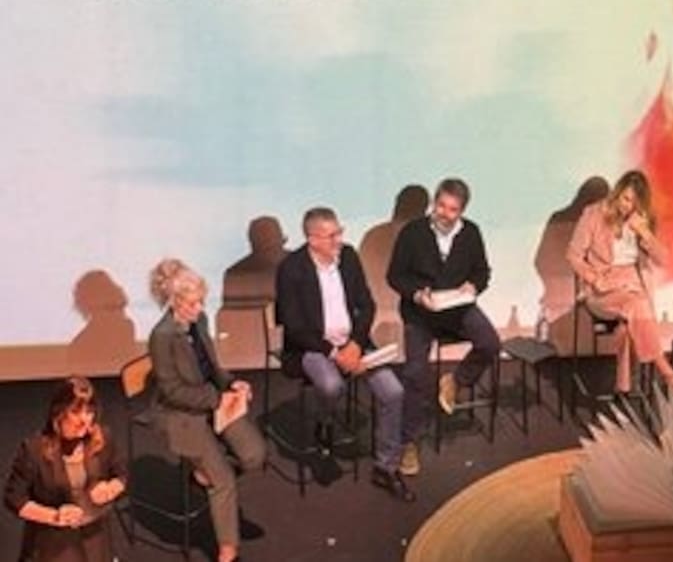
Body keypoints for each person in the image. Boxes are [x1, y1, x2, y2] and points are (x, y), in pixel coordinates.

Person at [274, 207, 410, 497]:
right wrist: (335, 353)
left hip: (353, 342)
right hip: (313, 346)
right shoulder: (291, 269)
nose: (339, 239)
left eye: (339, 232)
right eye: (331, 235)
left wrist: (356, 344)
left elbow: (367, 305)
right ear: (312, 239)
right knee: (331, 385)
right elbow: (294, 327)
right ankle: (324, 422)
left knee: (393, 391)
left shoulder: (348, 257)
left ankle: (386, 467)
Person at [148, 259, 267, 562]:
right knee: (223, 480)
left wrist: (232, 384)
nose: (199, 308)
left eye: (201, 300)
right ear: (174, 302)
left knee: (255, 455)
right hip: (180, 415)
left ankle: (203, 473)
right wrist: (216, 399)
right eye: (192, 303)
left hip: (214, 401)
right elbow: (172, 391)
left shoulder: (199, 321)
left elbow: (212, 367)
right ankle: (228, 550)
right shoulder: (162, 336)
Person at [387, 177, 501, 476]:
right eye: (441, 205)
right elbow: (395, 276)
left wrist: (472, 286)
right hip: (420, 313)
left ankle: (455, 381)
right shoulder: (412, 232)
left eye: (452, 209)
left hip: (457, 309)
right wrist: (417, 294)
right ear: (433, 203)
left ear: (462, 211)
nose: (445, 213)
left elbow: (482, 272)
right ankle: (409, 442)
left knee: (490, 343)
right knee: (415, 373)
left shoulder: (471, 232)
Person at [566, 170, 673, 394]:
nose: (627, 206)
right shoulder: (593, 214)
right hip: (602, 290)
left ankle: (623, 388)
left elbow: (664, 260)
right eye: (625, 198)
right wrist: (594, 279)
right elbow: (573, 255)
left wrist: (645, 233)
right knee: (637, 305)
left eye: (634, 203)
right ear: (617, 192)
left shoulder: (643, 220)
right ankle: (667, 372)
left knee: (627, 327)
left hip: (633, 285)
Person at [4, 377, 126, 562]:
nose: (84, 420)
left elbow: (122, 475)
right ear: (59, 413)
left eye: (89, 412)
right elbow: (14, 499)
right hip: (53, 546)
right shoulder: (34, 450)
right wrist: (55, 516)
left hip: (95, 541)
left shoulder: (101, 439)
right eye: (76, 412)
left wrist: (111, 489)